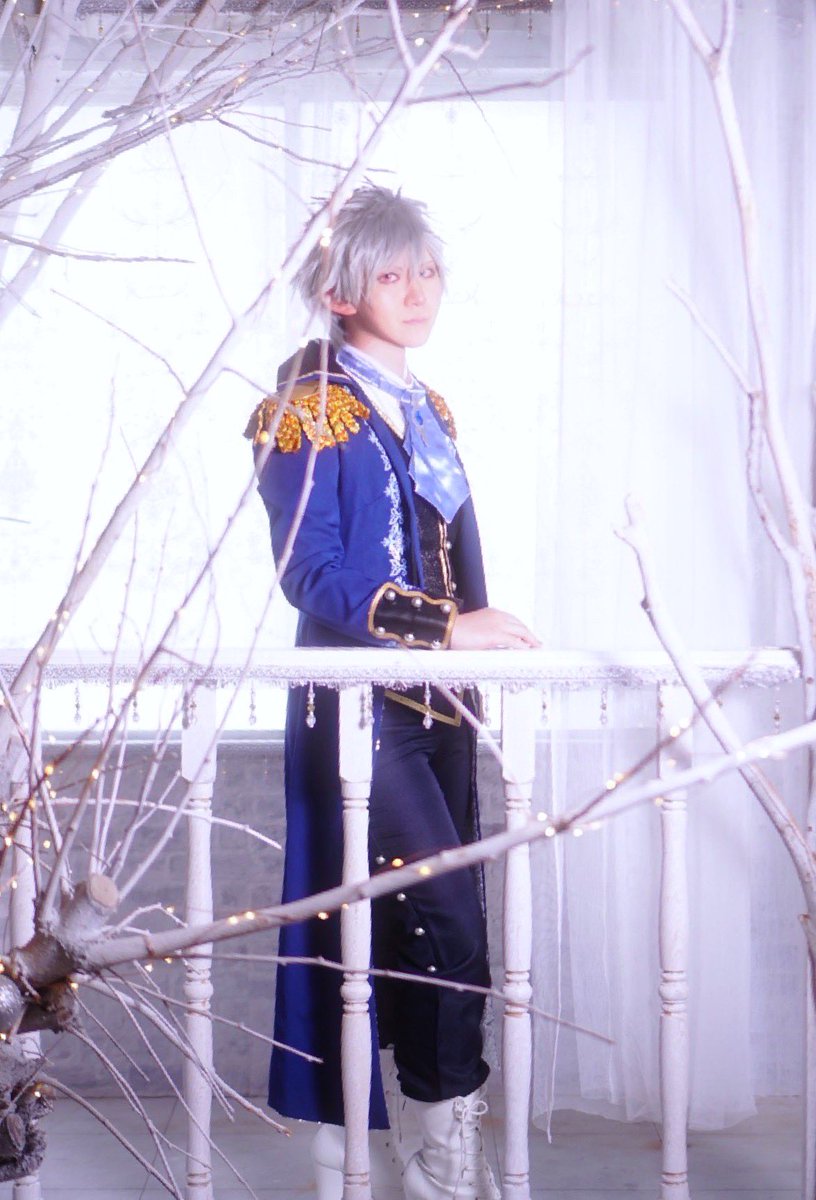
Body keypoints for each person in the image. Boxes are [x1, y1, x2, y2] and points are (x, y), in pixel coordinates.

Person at [245, 184, 539, 1200]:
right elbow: (309, 571)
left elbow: (450, 546)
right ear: (341, 293)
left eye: (428, 272)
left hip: (438, 706)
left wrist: (470, 648)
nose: (418, 293)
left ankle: (438, 1148)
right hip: (359, 711)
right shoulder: (306, 409)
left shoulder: (429, 410)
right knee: (428, 920)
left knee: (451, 930)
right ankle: (422, 1161)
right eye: (391, 275)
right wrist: (443, 627)